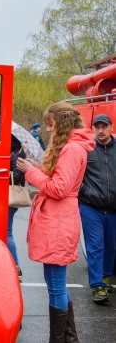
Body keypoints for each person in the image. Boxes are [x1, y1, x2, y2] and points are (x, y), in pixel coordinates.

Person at [17, 102, 95, 343]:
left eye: (51, 125)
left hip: (58, 220)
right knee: (56, 284)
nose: (48, 130)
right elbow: (60, 181)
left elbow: (59, 189)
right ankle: (68, 338)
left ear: (61, 124)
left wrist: (32, 172)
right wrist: (38, 168)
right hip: (58, 219)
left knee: (56, 286)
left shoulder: (72, 149)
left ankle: (59, 339)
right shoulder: (71, 147)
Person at [78, 114, 116, 303]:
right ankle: (97, 286)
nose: (100, 131)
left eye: (104, 127)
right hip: (91, 206)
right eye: (97, 127)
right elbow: (76, 173)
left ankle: (106, 277)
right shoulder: (87, 148)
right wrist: (86, 191)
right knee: (95, 246)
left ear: (110, 127)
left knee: (111, 246)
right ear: (92, 128)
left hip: (114, 208)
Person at [8, 135, 26, 280]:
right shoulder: (16, 154)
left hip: (11, 198)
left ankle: (16, 266)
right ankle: (15, 266)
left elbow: (17, 176)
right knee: (7, 233)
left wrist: (3, 172)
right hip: (10, 198)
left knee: (7, 233)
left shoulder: (18, 155)